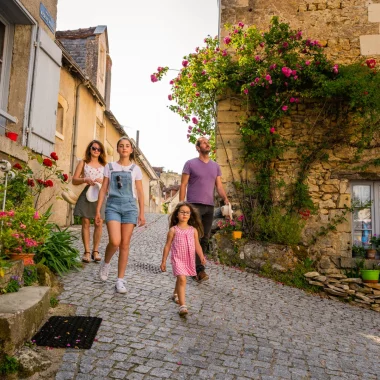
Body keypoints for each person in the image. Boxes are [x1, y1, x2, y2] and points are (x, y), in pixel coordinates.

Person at [95, 136, 146, 293]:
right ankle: (106, 263)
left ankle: (120, 280)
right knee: (115, 241)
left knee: (124, 244)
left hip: (130, 207)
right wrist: (98, 210)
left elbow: (140, 192)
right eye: (121, 146)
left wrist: (141, 213)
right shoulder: (109, 167)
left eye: (127, 146)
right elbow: (104, 189)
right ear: (117, 149)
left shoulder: (135, 169)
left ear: (131, 150)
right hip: (113, 206)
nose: (124, 148)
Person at [179, 137, 229, 282]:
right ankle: (197, 270)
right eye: (204, 142)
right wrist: (182, 205)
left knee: (205, 237)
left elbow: (218, 186)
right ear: (198, 147)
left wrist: (225, 198)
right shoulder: (190, 164)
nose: (207, 144)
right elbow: (183, 184)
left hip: (209, 206)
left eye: (208, 142)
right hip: (193, 205)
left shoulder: (215, 166)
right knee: (194, 236)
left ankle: (198, 268)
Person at [160, 202, 206, 316]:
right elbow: (167, 246)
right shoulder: (173, 230)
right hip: (177, 259)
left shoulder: (193, 230)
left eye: (187, 212)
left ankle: (175, 294)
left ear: (190, 215)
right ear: (177, 215)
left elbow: (197, 245)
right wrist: (164, 261)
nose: (184, 214)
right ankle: (182, 306)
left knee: (181, 278)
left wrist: (201, 256)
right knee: (182, 279)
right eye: (182, 212)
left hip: (188, 258)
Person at [72, 140, 107, 263]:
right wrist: (85, 179)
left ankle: (95, 251)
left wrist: (102, 181)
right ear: (90, 149)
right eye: (94, 148)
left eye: (99, 149)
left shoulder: (105, 166)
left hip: (100, 194)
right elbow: (74, 180)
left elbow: (110, 183)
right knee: (85, 222)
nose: (96, 151)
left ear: (101, 151)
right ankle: (87, 251)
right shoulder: (83, 163)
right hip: (87, 193)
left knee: (99, 222)